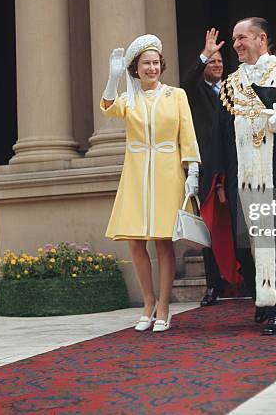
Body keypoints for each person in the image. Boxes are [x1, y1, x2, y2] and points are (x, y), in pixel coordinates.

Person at [202, 18, 276, 335]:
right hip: (240, 178)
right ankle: (262, 298)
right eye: (234, 39)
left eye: (242, 37)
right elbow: (222, 138)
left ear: (262, 38)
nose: (237, 44)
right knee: (249, 245)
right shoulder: (230, 86)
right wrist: (222, 181)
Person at [101, 34, 201, 332]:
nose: (152, 68)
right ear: (135, 68)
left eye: (156, 62)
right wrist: (112, 78)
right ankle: (148, 301)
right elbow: (107, 107)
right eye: (146, 63)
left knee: (163, 241)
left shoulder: (176, 95)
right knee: (134, 241)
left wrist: (192, 171)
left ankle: (165, 306)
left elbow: (188, 134)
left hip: (168, 172)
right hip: (135, 175)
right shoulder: (129, 98)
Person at [181, 28, 230, 307]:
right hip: (208, 168)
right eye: (212, 62)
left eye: (220, 61)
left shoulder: (235, 88)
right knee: (210, 229)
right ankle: (214, 285)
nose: (217, 65)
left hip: (235, 166)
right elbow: (185, 82)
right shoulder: (195, 91)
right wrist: (204, 54)